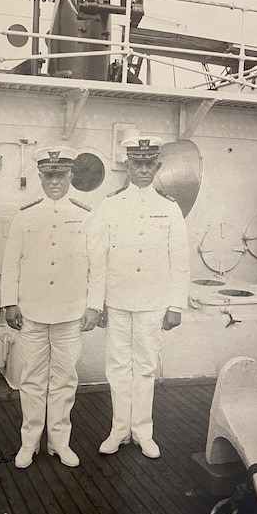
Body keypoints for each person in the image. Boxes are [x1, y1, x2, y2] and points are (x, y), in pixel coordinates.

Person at [1, 146, 103, 469]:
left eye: (61, 174)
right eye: (49, 175)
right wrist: (9, 302)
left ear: (71, 175)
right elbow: (10, 263)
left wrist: (94, 306)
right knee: (31, 379)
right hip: (31, 311)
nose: (55, 180)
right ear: (41, 176)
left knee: (64, 379)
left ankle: (59, 442)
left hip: (71, 314)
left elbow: (97, 266)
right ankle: (29, 443)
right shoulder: (25, 215)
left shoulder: (87, 216)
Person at [89, 136, 190, 459]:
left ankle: (142, 432)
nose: (143, 170)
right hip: (117, 299)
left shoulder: (169, 207)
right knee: (118, 367)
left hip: (153, 301)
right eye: (137, 164)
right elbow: (97, 257)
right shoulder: (111, 204)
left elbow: (180, 258)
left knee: (145, 366)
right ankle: (119, 430)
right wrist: (96, 302)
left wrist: (175, 305)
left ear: (157, 166)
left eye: (149, 164)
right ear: (128, 166)